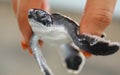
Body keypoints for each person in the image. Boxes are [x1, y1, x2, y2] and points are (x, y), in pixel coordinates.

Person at [11, 0, 117, 57]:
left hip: (68, 36)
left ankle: (72, 55)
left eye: (40, 16)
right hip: (48, 37)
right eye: (31, 17)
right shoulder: (36, 32)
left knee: (97, 20)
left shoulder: (63, 24)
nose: (32, 15)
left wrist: (91, 44)